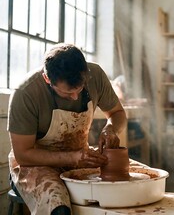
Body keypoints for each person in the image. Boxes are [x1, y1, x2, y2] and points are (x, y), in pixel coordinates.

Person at [7, 43, 128, 215]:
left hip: (79, 156)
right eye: (67, 93)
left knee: (124, 187)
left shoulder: (96, 75)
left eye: (80, 88)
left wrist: (111, 129)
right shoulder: (25, 93)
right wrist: (72, 158)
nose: (75, 97)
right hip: (34, 165)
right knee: (58, 205)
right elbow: (23, 154)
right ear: (47, 79)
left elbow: (117, 113)